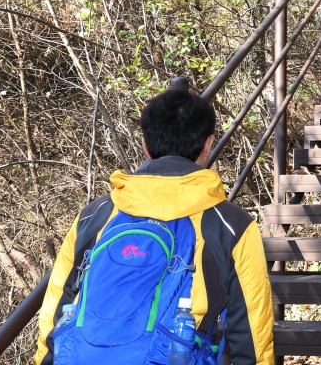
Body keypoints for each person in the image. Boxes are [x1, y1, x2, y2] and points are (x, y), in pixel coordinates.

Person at [34, 89, 274, 365]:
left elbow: (55, 307)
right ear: (208, 145)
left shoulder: (95, 215)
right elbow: (252, 334)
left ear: (146, 147)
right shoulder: (233, 225)